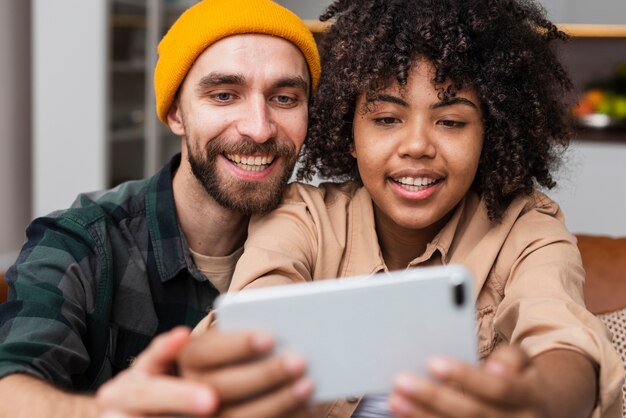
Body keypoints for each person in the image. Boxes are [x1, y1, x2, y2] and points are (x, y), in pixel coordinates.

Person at [219, 0, 624, 417]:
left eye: (450, 122)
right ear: (349, 132)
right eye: (387, 119)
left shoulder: (527, 231)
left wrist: (537, 400)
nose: (416, 146)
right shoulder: (302, 217)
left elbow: (564, 343)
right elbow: (252, 325)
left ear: (490, 134)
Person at [0, 0, 320, 416]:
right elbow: (10, 386)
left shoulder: (326, 230)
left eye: (284, 98)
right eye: (224, 95)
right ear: (175, 112)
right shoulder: (83, 241)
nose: (258, 128)